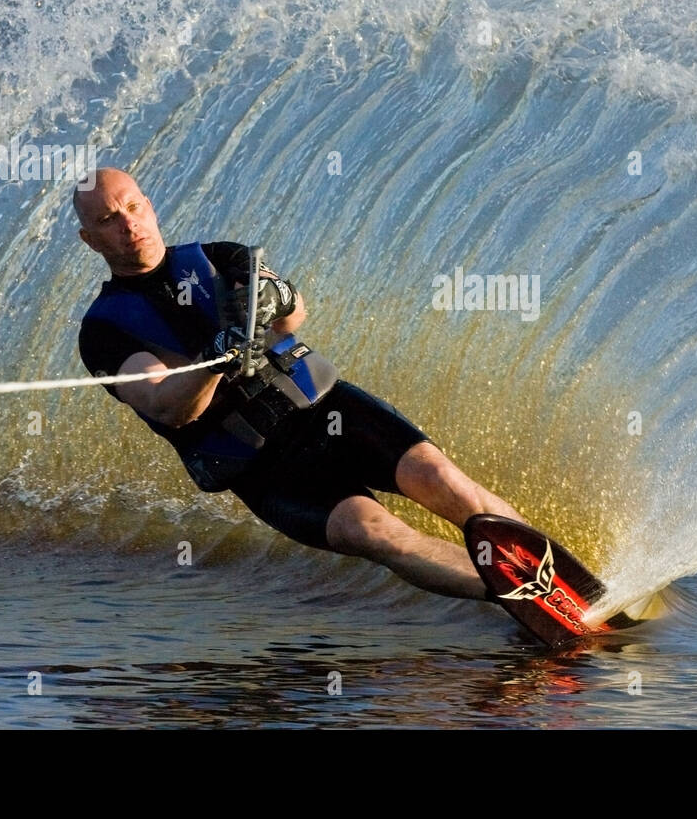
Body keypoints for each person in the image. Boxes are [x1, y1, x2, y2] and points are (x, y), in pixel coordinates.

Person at [74, 167, 524, 600]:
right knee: (374, 532)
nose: (128, 224)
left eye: (133, 206)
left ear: (150, 207)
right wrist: (214, 360)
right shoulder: (103, 331)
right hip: (261, 465)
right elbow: (167, 406)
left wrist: (279, 295)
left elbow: (291, 321)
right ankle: (521, 599)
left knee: (440, 478)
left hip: (326, 411)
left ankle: (548, 566)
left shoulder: (220, 259)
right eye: (108, 220)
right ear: (90, 240)